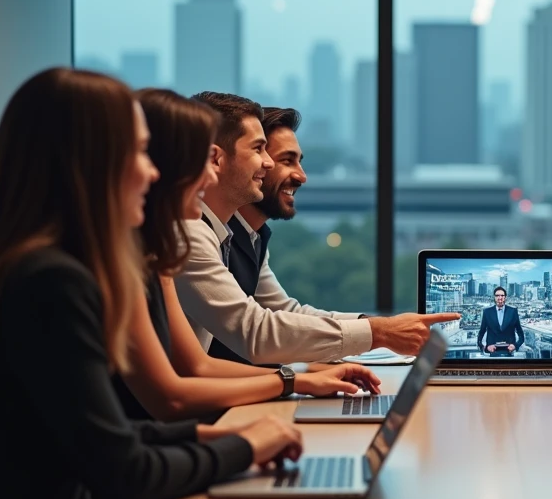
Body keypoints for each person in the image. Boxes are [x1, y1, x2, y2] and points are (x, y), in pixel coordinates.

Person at [0, 68, 302, 499]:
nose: (152, 171)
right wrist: (244, 448)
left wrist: (221, 438)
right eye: (139, 153)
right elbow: (125, 470)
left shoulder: (37, 266)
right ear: (89, 165)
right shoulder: (51, 283)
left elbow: (104, 431)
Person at [113, 89, 383, 421]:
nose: (269, 163)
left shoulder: (155, 253)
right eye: (260, 150)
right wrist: (294, 381)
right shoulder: (173, 241)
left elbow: (195, 367)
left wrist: (299, 378)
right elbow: (181, 390)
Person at [173, 93, 457, 365]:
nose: (301, 176)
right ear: (216, 159)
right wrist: (379, 332)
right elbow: (254, 332)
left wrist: (382, 328)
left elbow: (284, 313)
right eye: (262, 151)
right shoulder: (192, 234)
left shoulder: (241, 236)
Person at [477, 286, 525, 355]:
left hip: (509, 352)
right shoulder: (487, 312)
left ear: (505, 297)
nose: (500, 298)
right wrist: (485, 347)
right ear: (494, 297)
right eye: (497, 295)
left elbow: (521, 334)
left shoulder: (513, 311)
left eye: (502, 295)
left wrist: (515, 345)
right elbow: (481, 333)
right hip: (492, 352)